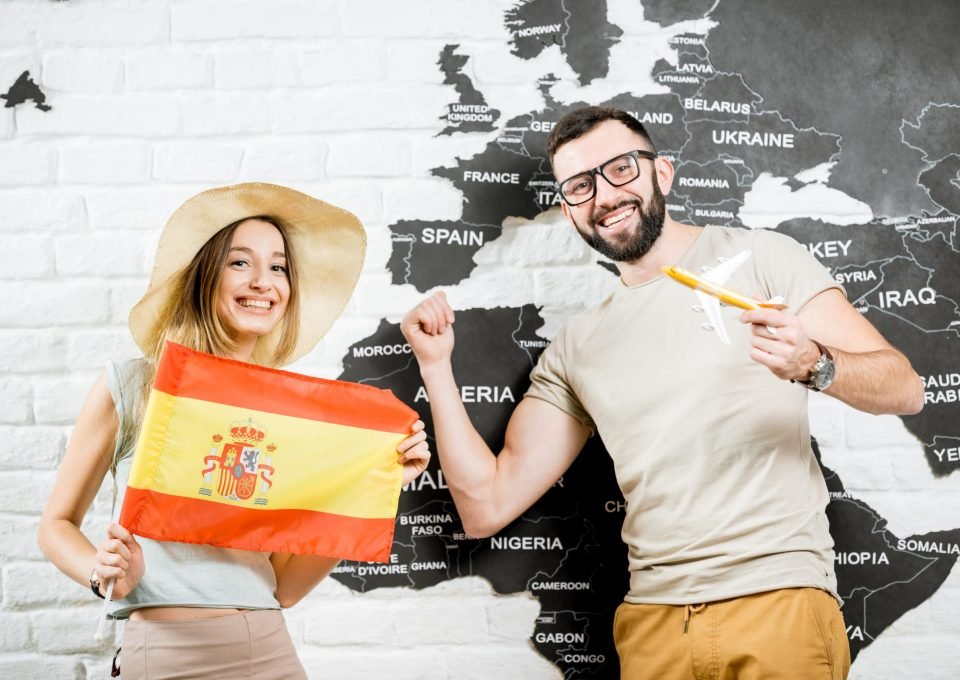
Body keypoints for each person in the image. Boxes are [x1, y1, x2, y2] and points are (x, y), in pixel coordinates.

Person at [401, 107, 924, 680]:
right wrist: (435, 366)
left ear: (663, 173)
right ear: (570, 209)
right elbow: (485, 505)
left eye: (621, 169)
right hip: (654, 628)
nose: (604, 195)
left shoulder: (764, 259)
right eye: (580, 186)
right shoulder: (579, 346)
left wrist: (815, 364)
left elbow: (905, 388)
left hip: (779, 604)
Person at [37, 183, 431, 679]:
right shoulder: (135, 386)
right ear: (206, 276)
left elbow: (284, 587)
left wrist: (376, 485)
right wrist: (104, 573)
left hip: (268, 649)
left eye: (279, 266)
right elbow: (55, 525)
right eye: (240, 262)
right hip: (164, 651)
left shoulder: (289, 418)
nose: (264, 281)